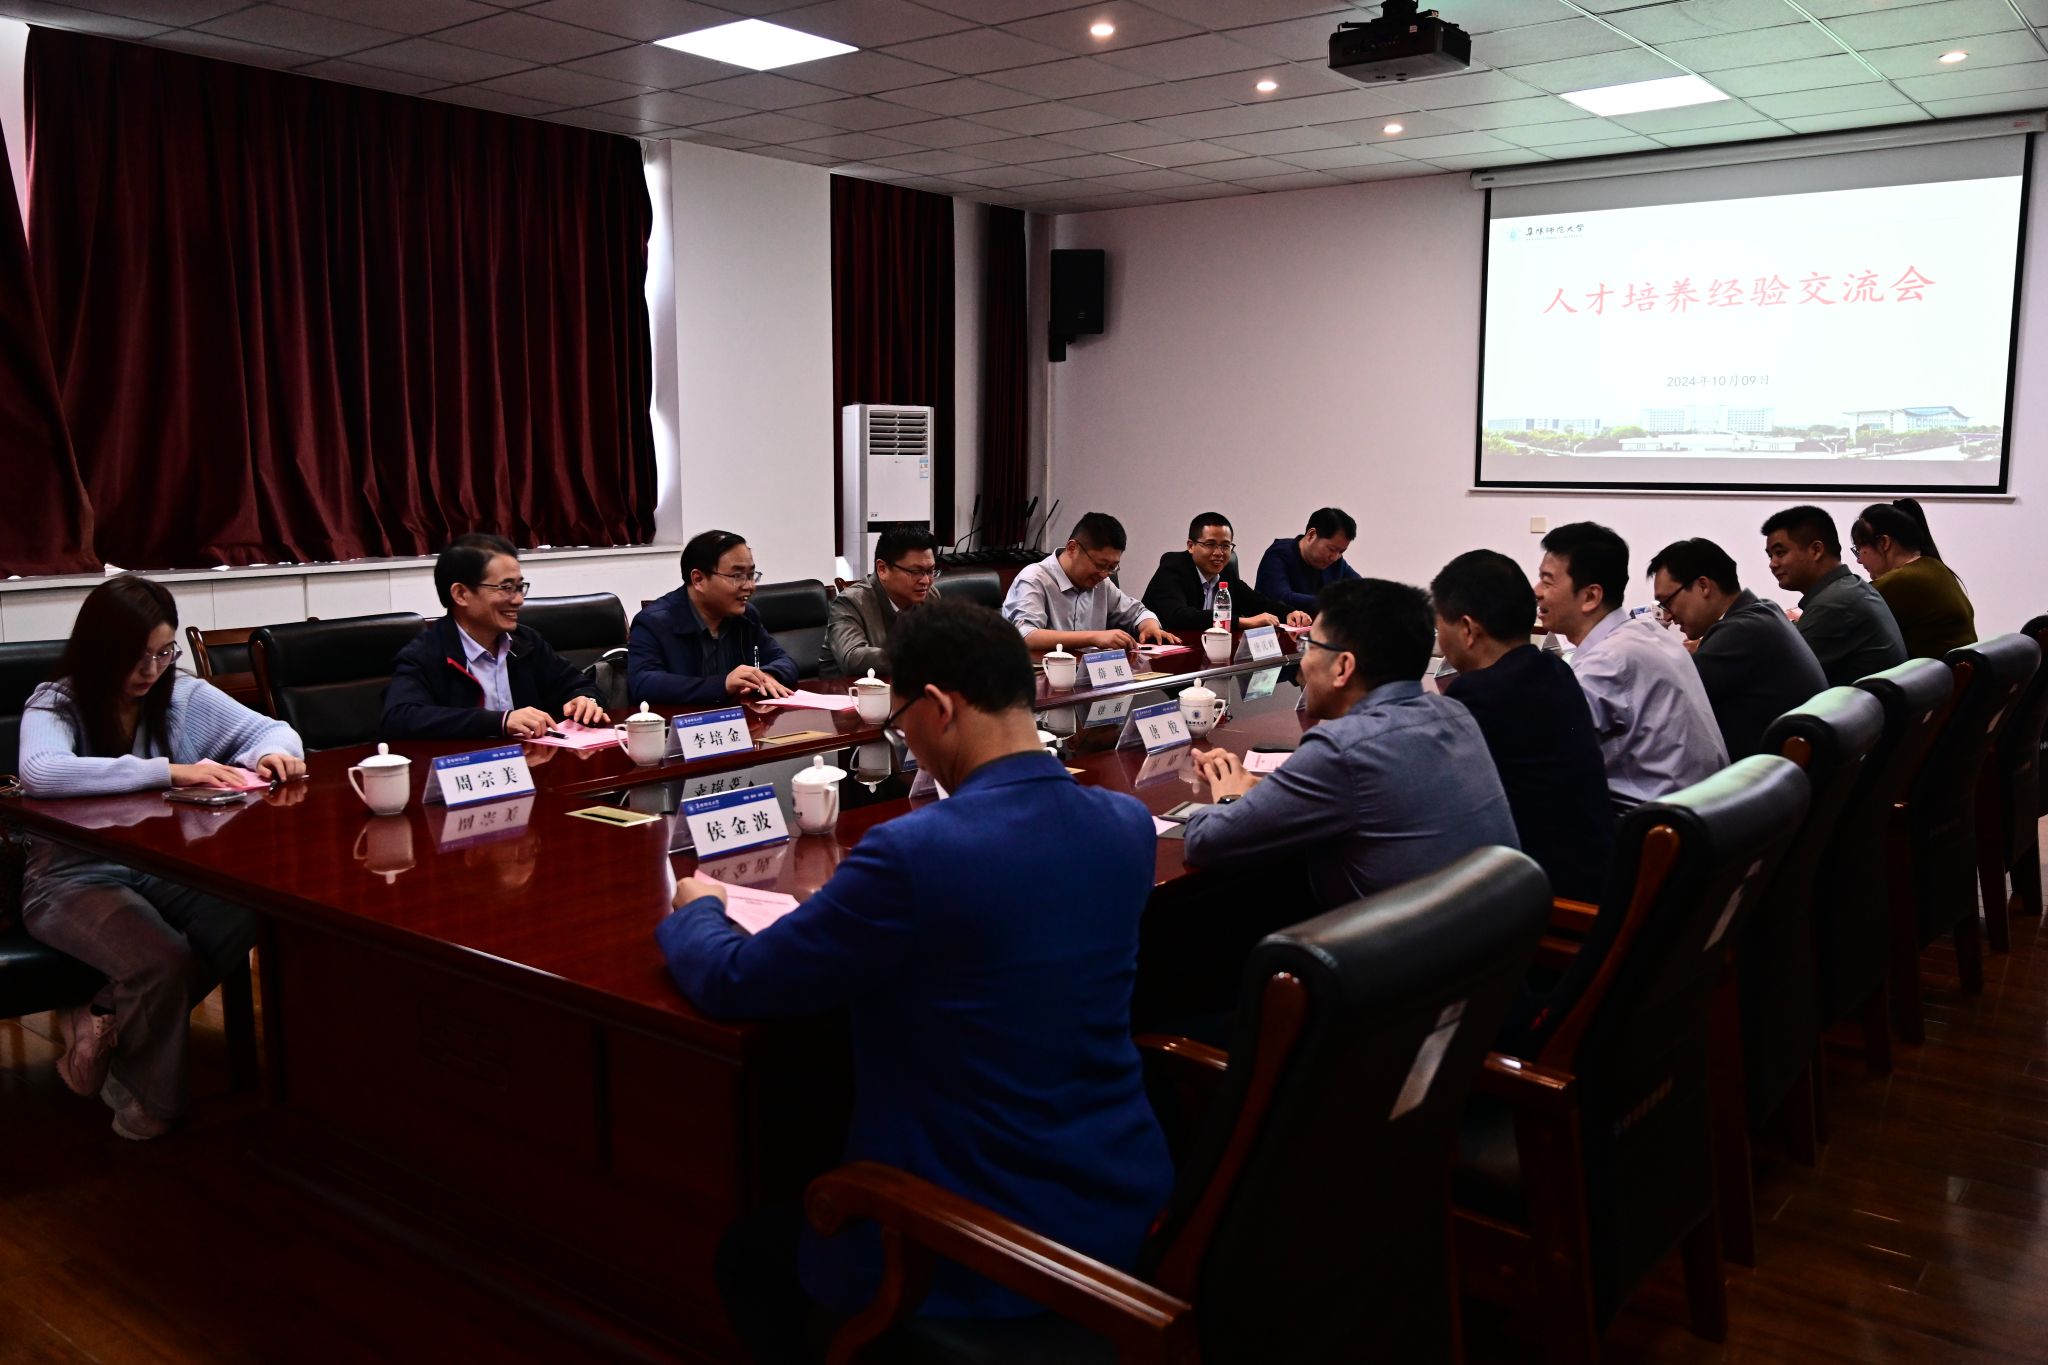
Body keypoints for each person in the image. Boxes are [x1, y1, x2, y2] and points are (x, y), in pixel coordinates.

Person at [656, 602, 1171, 1360]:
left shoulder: (914, 853)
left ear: (938, 706)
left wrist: (699, 909)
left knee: (748, 1254)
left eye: (902, 721)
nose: (908, 740)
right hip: (1119, 1198)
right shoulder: (1124, 824)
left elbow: (738, 979)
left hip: (973, 1236)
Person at [16, 574, 305, 1140]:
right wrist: (168, 771)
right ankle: (145, 1104)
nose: (152, 669)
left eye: (164, 652)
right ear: (100, 649)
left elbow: (273, 729)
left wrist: (271, 754)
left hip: (159, 870)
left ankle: (103, 1014)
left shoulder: (179, 694)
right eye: (138, 656)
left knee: (254, 907)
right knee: (162, 961)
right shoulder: (58, 700)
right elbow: (42, 772)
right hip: (69, 879)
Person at [1183, 578, 1519, 910]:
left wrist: (1230, 796)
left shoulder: (1342, 748)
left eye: (1310, 646)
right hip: (1491, 934)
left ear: (1343, 666)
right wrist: (1261, 792)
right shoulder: (1455, 715)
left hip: (1394, 942)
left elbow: (1205, 841)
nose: (1303, 664)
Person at [1431, 550, 1615, 903]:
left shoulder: (1478, 694)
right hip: (1594, 877)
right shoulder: (1554, 670)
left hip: (1546, 900)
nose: (1440, 640)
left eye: (1441, 627)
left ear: (1467, 629)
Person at [1535, 522, 1725, 810]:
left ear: (1590, 597)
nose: (1537, 591)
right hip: (1704, 811)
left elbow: (1548, 751)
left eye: (1547, 581)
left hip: (1654, 825)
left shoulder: (1608, 662)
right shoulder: (1648, 633)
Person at [381, 533, 608, 740]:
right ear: (461, 594)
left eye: (519, 587)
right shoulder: (426, 653)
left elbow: (577, 684)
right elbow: (400, 718)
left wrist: (585, 700)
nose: (518, 600)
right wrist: (500, 722)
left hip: (533, 763)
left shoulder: (525, 642)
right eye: (506, 588)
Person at [1648, 537, 1828, 762]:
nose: (1668, 616)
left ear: (1703, 586)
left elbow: (1663, 703)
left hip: (1764, 775)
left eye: (1667, 602)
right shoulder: (1763, 611)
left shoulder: (1742, 631)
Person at [630, 530, 798, 706]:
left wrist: (767, 675)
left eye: (751, 575)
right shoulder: (654, 622)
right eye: (737, 576)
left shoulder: (746, 616)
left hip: (743, 719)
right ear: (698, 579)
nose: (749, 586)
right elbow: (643, 683)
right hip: (685, 720)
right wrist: (723, 684)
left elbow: (784, 661)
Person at [1760, 504, 1907, 687]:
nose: (1773, 564)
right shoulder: (1851, 586)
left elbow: (1775, 677)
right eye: (1770, 556)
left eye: (1780, 553)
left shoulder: (1833, 605)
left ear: (1816, 550)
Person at [1000, 512, 1175, 651]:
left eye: (1113, 567)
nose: (1105, 574)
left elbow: (1137, 613)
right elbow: (1026, 636)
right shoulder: (1034, 578)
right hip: (1043, 679)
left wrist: (1149, 626)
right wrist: (1094, 637)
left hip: (1090, 679)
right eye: (1100, 565)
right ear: (1072, 548)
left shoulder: (1102, 583)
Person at [1850, 498, 1977, 660]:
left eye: (1859, 550)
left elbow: (1840, 619)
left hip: (1938, 675)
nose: (1859, 560)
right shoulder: (1934, 567)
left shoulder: (1902, 581)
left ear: (1884, 543)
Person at [1140, 512, 1310, 633]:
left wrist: (1289, 613)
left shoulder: (1225, 570)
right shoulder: (1173, 568)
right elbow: (1179, 617)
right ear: (1191, 546)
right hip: (1161, 655)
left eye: (1225, 546)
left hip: (1205, 651)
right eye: (1210, 544)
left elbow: (1254, 601)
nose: (1219, 553)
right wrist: (1242, 622)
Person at [824, 523, 942, 677]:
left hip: (908, 685)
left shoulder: (930, 596)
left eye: (930, 571)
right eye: (915, 571)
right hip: (847, 690)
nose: (925, 581)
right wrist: (919, 654)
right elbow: (852, 658)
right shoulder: (851, 602)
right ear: (882, 569)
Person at [1254, 507, 1362, 614]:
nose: (1334, 557)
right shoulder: (1279, 554)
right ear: (1311, 535)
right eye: (1331, 549)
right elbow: (1282, 598)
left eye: (1341, 552)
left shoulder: (1336, 561)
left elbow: (1361, 589)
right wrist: (1332, 602)